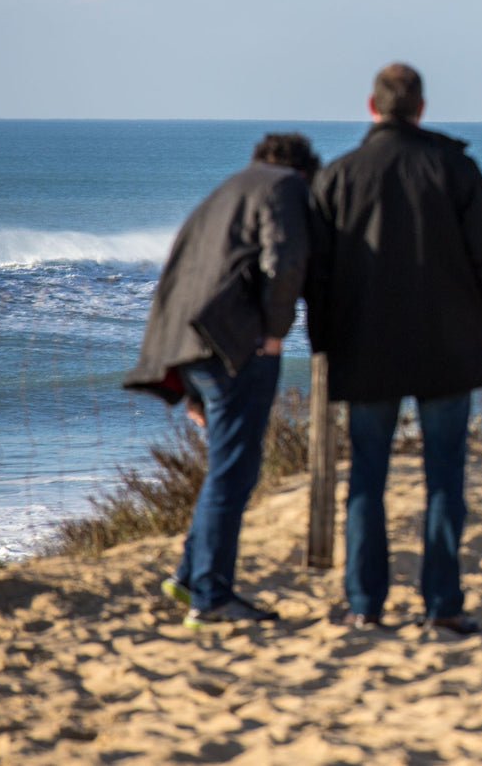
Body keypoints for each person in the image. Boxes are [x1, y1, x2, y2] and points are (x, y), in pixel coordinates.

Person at [308, 63, 482, 634]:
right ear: (421, 109)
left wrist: (325, 342)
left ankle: (363, 604)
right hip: (447, 347)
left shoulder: (339, 176)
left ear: (371, 107)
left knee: (367, 474)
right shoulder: (455, 168)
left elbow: (316, 274)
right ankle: (442, 605)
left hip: (364, 346)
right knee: (445, 475)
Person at [124, 132, 319, 628]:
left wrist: (181, 378)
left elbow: (178, 279)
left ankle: (191, 575)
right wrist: (275, 333)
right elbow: (286, 259)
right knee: (235, 469)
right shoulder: (285, 188)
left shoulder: (223, 193)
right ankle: (211, 597)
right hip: (234, 349)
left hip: (188, 346)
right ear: (302, 171)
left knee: (227, 466)